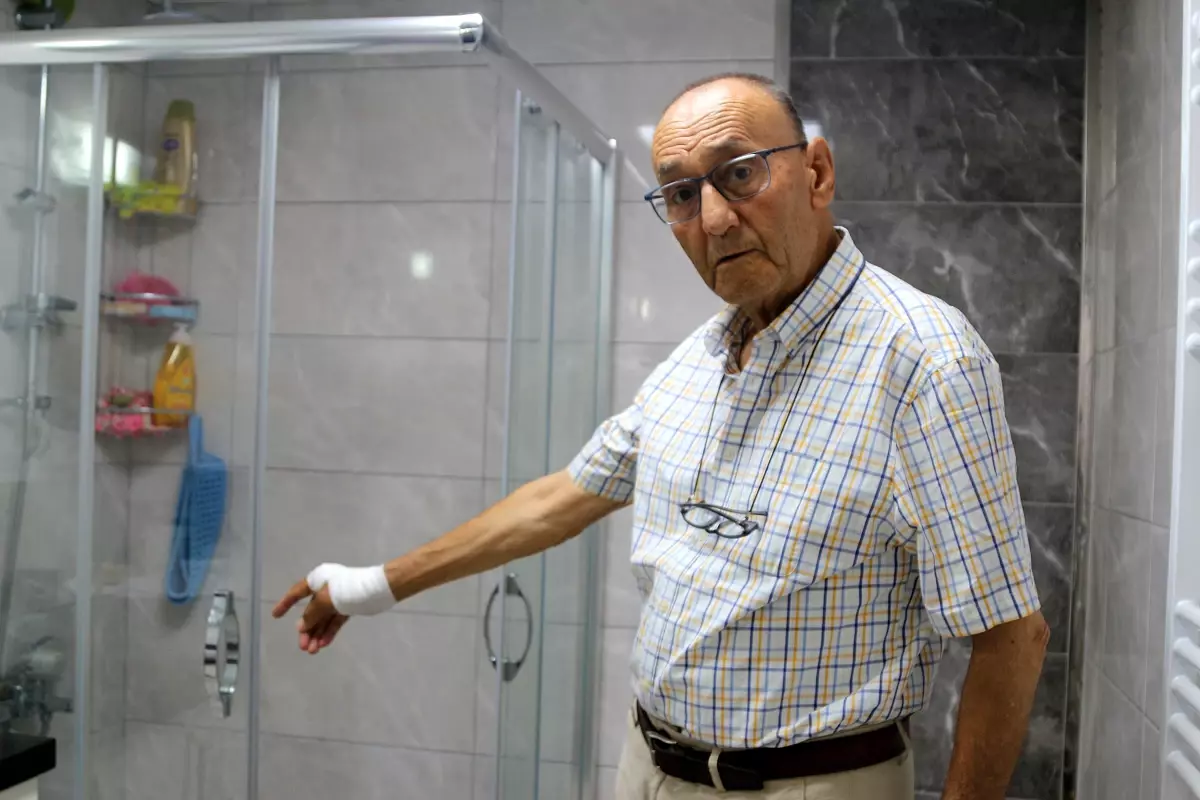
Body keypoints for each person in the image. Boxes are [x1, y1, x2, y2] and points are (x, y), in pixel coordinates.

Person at [273, 73, 1049, 800]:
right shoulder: (696, 360)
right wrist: (369, 585)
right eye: (681, 194)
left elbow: (1011, 637)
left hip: (808, 784)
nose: (713, 220)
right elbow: (559, 499)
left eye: (739, 173)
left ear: (816, 173)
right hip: (648, 768)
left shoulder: (923, 360)